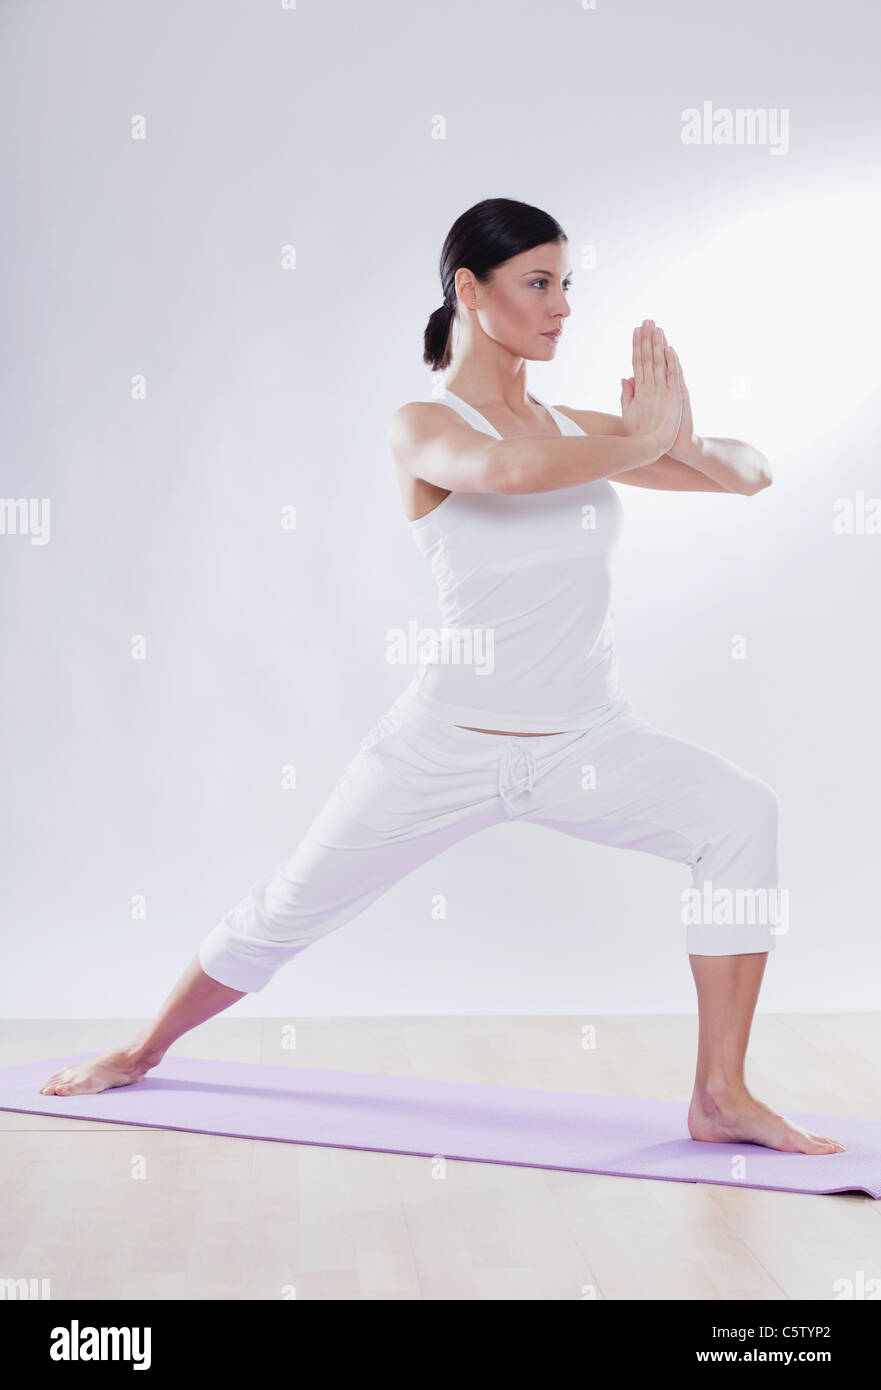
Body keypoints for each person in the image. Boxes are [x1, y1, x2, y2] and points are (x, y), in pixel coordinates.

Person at [39, 197, 844, 1157]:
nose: (561, 307)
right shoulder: (424, 424)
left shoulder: (572, 426)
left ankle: (718, 1093)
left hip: (587, 743)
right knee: (289, 908)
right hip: (444, 747)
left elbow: (748, 473)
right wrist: (640, 440)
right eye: (537, 283)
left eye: (566, 284)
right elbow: (502, 471)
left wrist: (680, 433)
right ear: (469, 288)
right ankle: (142, 1048)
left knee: (739, 816)